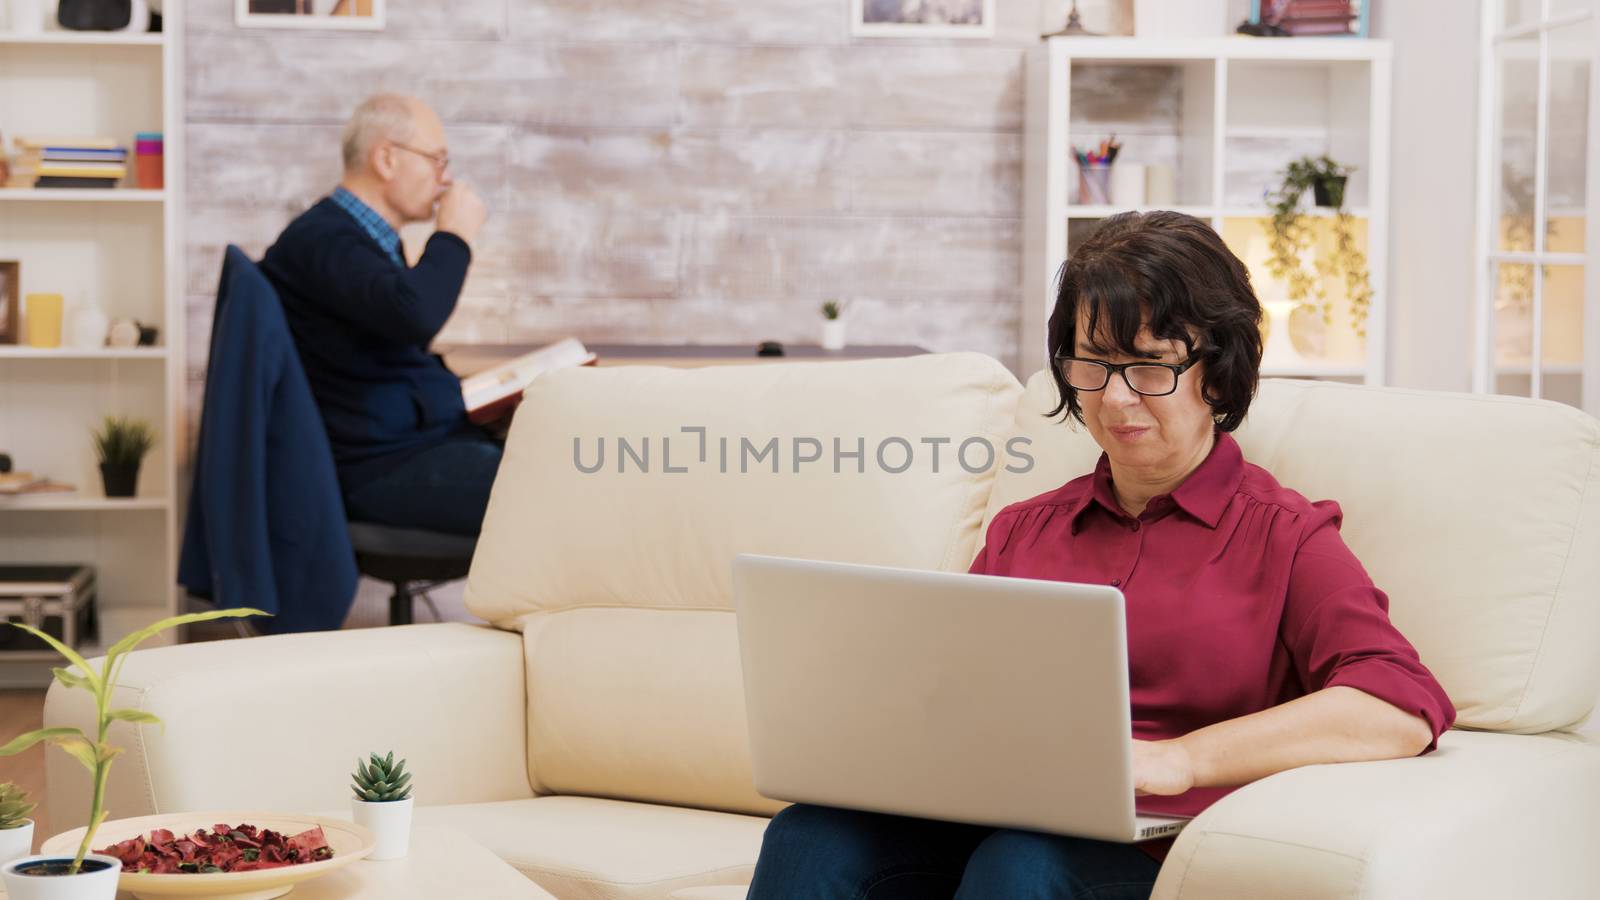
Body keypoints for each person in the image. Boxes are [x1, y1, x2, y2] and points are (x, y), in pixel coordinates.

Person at [745, 211, 1456, 899]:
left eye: (1149, 366)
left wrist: (1181, 758)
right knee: (810, 836)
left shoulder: (1285, 536)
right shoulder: (1024, 530)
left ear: (1220, 370)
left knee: (1020, 866)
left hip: (1153, 844)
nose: (1115, 398)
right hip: (997, 816)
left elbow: (1400, 704)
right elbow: (953, 694)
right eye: (1093, 363)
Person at [260, 93, 497, 536]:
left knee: (561, 458)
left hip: (408, 447)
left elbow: (400, 334)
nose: (445, 180)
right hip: (381, 468)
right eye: (437, 161)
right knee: (563, 484)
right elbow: (416, 314)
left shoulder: (354, 240)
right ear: (387, 159)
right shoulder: (324, 240)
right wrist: (455, 236)